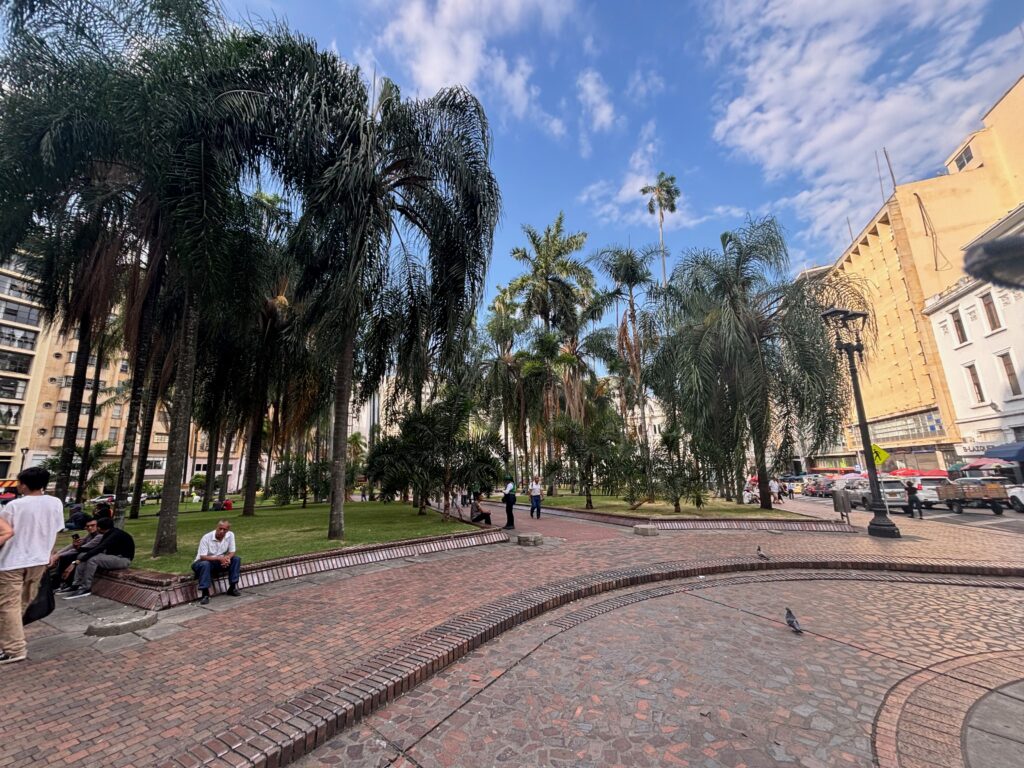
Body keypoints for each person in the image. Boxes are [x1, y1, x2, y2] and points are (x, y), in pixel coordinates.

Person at [0, 466, 66, 664]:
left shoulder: (15, 506)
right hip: (38, 559)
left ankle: (14, 648)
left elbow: (5, 532)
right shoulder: (55, 503)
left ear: (25, 484)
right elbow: (54, 531)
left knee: (9, 605)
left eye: (20, 482)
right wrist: (49, 553)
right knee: (22, 602)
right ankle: (11, 639)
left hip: (12, 560)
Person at [63, 517, 135, 599]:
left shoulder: (115, 535)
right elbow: (96, 548)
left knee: (93, 559)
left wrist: (75, 562)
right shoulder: (108, 533)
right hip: (111, 557)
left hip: (123, 560)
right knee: (82, 555)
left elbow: (99, 549)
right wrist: (78, 548)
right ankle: (76, 584)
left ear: (99, 528)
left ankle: (86, 588)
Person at [191, 519, 241, 605]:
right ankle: (205, 594)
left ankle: (232, 588)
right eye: (220, 528)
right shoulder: (207, 537)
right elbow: (202, 557)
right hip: (201, 562)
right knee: (205, 564)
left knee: (236, 559)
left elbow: (232, 551)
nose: (222, 531)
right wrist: (219, 559)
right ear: (216, 527)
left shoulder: (230, 535)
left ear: (227, 530)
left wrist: (227, 558)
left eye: (224, 529)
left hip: (217, 561)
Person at [50, 518, 103, 591]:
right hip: (83, 555)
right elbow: (73, 546)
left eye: (93, 525)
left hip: (91, 557)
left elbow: (79, 549)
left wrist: (58, 555)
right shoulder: (90, 535)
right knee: (66, 557)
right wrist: (58, 553)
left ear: (98, 526)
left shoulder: (99, 536)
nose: (90, 528)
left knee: (70, 557)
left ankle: (66, 583)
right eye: (88, 526)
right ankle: (60, 582)